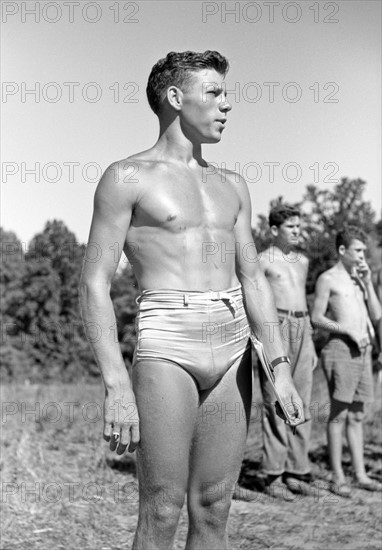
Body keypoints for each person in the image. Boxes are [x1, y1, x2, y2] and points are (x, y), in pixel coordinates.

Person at [79, 50, 304, 550]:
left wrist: (281, 368)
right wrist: (117, 386)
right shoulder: (126, 177)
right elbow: (93, 282)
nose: (227, 104)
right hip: (167, 341)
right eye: (215, 93)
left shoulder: (233, 185)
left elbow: (252, 279)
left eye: (226, 93)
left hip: (232, 343)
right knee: (161, 507)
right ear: (175, 99)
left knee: (214, 507)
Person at [312, 225, 382, 497]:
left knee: (357, 415)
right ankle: (337, 477)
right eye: (358, 250)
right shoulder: (328, 279)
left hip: (365, 352)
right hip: (341, 349)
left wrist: (366, 284)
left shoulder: (360, 278)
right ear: (342, 251)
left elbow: (376, 314)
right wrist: (348, 330)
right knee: (339, 414)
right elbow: (317, 317)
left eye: (365, 250)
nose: (363, 255)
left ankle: (361, 474)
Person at [258, 205, 317, 496]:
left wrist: (312, 343)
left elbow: (304, 299)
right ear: (274, 230)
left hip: (303, 325)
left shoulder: (303, 261)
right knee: (276, 400)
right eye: (291, 226)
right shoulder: (262, 261)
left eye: (298, 226)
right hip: (276, 326)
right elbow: (254, 300)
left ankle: (298, 470)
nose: (297, 231)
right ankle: (273, 475)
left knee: (303, 399)